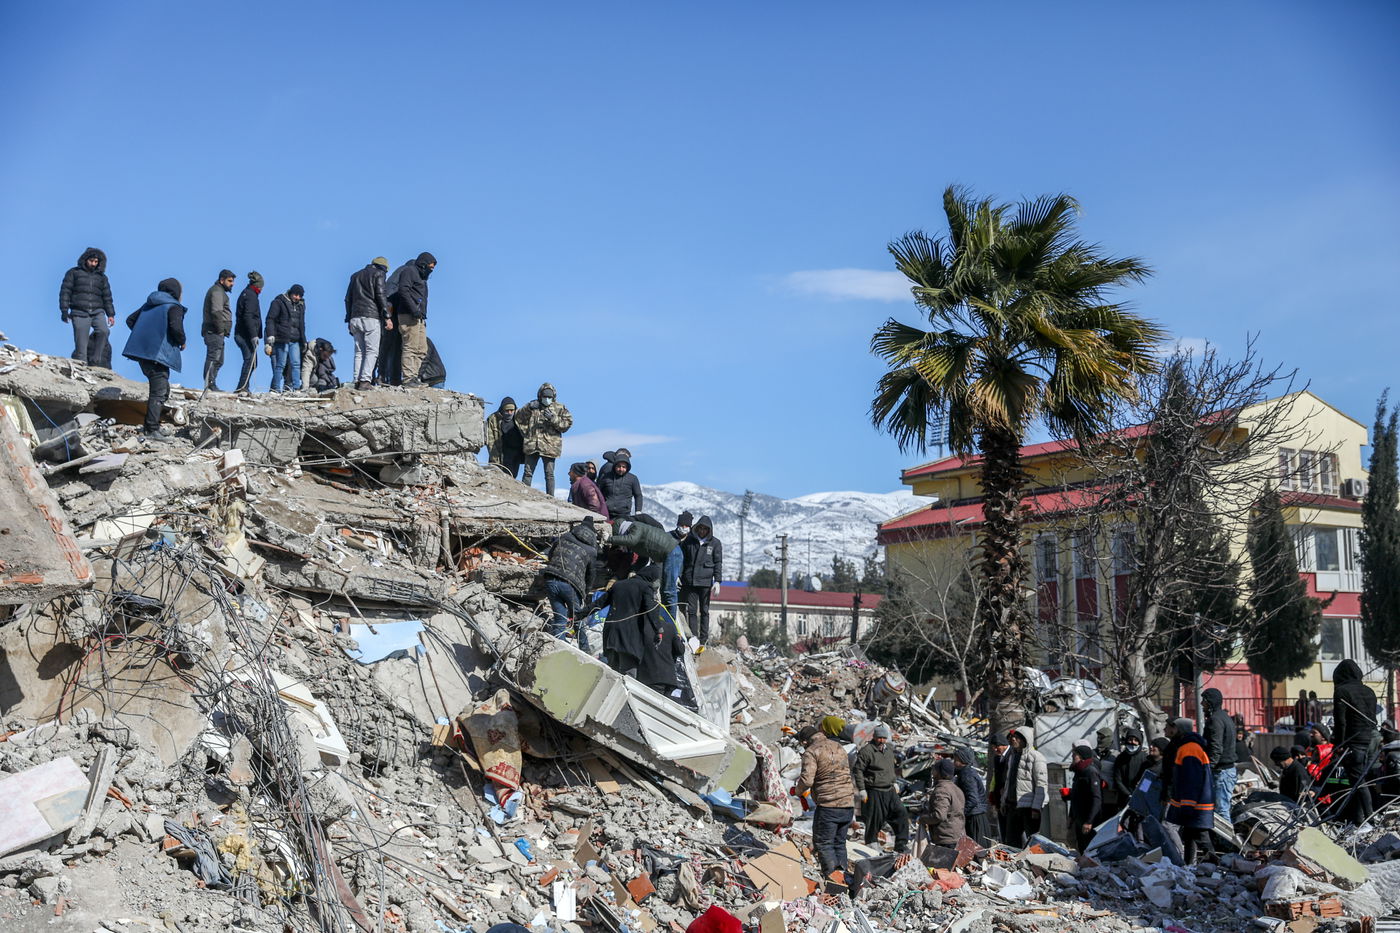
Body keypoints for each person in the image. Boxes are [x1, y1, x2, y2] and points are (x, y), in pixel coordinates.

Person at [120, 279, 186, 440]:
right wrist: (182, 341)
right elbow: (176, 329)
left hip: (145, 355)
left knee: (162, 389)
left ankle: (153, 425)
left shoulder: (150, 304)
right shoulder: (173, 306)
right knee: (159, 391)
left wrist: (145, 337)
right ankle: (151, 429)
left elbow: (130, 320)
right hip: (158, 356)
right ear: (176, 292)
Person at [795, 724, 857, 884]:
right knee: (839, 843)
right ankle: (844, 879)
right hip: (848, 804)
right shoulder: (838, 746)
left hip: (830, 805)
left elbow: (807, 780)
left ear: (804, 741)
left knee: (824, 843)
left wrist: (796, 791)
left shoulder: (811, 751)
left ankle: (833, 881)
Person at [1162, 717, 1216, 865]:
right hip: (1197, 802)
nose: (1167, 730)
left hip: (1195, 804)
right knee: (1191, 835)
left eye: (1171, 727)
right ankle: (1190, 866)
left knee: (1201, 837)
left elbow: (1190, 780)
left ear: (1178, 729)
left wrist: (1187, 804)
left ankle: (1217, 866)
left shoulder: (1188, 749)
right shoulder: (1189, 747)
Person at [1332, 658, 1380, 824]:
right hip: (1372, 741)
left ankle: (1370, 820)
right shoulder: (1369, 691)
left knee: (1358, 782)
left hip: (1355, 742)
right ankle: (1359, 820)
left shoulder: (1342, 692)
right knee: (1362, 781)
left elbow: (1341, 722)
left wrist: (1338, 744)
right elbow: (1373, 719)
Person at [540, 517, 598, 652]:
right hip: (571, 585)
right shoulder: (591, 551)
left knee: (560, 618)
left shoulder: (565, 536)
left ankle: (557, 647)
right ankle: (585, 650)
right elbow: (591, 575)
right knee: (577, 618)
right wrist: (586, 592)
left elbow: (551, 553)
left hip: (550, 579)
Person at [594, 564, 663, 675]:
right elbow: (650, 609)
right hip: (629, 638)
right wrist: (658, 629)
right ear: (651, 577)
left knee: (611, 672)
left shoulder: (619, 585)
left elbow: (598, 603)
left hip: (611, 635)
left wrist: (578, 615)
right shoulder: (646, 587)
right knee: (629, 675)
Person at [852, 724, 909, 854]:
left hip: (889, 789)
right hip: (874, 790)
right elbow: (858, 771)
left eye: (884, 738)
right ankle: (872, 843)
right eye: (879, 738)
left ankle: (901, 844)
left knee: (901, 813)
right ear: (874, 737)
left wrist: (894, 782)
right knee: (875, 818)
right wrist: (862, 789)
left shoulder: (888, 750)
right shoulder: (867, 751)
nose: (882, 740)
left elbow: (890, 768)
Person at [59, 247, 115, 368]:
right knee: (81, 345)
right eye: (91, 261)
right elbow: (65, 292)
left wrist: (111, 314)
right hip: (79, 312)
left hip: (97, 311)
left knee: (104, 331)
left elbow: (107, 297)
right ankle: (82, 367)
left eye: (96, 262)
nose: (93, 264)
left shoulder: (102, 278)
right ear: (85, 260)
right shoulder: (73, 273)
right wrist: (64, 310)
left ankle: (96, 360)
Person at [344, 257, 392, 390]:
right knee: (372, 351)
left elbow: (348, 299)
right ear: (384, 268)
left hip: (355, 317)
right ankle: (365, 380)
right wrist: (387, 316)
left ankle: (356, 380)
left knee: (359, 351)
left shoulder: (355, 276)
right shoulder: (379, 274)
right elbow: (380, 295)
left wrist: (348, 318)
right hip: (371, 317)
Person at [516, 383, 573, 495]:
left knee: (549, 473)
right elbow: (518, 418)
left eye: (549, 397)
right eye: (545, 397)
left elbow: (567, 424)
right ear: (540, 396)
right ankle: (524, 494)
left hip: (550, 446)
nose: (547, 399)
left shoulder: (559, 408)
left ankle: (550, 496)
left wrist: (553, 419)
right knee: (528, 472)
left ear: (553, 397)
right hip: (533, 444)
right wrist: (528, 407)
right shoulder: (533, 406)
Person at [390, 252, 436, 387]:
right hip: (408, 315)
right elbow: (403, 291)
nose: (431, 270)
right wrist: (414, 309)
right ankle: (408, 378)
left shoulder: (422, 278)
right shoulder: (409, 272)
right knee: (410, 346)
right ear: (423, 264)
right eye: (430, 267)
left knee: (422, 349)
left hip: (420, 317)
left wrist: (421, 314)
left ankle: (414, 377)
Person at [680, 516, 723, 644]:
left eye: (705, 529)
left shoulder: (715, 543)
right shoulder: (689, 541)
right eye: (701, 528)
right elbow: (682, 560)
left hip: (705, 582)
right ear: (697, 527)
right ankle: (693, 638)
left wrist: (717, 581)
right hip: (690, 581)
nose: (702, 531)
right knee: (691, 610)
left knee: (704, 611)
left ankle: (703, 639)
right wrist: (679, 575)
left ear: (709, 530)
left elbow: (718, 562)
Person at [1005, 727, 1048, 847]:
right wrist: (1004, 800)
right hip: (1013, 804)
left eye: (1017, 738)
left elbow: (1041, 784)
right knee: (1012, 840)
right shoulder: (1012, 756)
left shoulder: (1036, 757)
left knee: (1033, 841)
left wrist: (1036, 807)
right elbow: (1009, 781)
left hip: (1029, 807)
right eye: (1013, 737)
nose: (1013, 739)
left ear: (1026, 740)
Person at [1201, 688, 1238, 826]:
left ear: (1210, 703)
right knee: (1220, 809)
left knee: (1221, 811)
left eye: (1204, 701)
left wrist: (1208, 768)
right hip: (1225, 771)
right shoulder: (1223, 717)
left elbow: (1216, 748)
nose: (1201, 704)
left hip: (1221, 773)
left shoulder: (1215, 720)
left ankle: (1229, 845)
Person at [265, 285, 306, 392]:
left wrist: (303, 340)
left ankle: (296, 388)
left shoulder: (301, 305)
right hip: (282, 338)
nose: (297, 297)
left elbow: (302, 323)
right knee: (281, 364)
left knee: (296, 364)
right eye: (296, 295)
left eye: (300, 296)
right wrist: (270, 334)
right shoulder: (279, 302)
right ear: (290, 293)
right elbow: (270, 319)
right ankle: (275, 389)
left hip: (295, 339)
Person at [919, 757, 966, 848]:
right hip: (957, 835)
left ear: (940, 773)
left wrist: (923, 819)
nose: (932, 773)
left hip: (946, 838)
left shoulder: (942, 790)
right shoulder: (956, 788)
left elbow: (939, 815)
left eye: (934, 770)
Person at [201, 270, 235, 391]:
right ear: (222, 280)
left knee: (219, 360)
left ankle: (212, 383)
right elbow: (216, 311)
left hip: (218, 332)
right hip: (214, 331)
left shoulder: (220, 292)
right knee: (213, 358)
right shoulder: (216, 291)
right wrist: (220, 329)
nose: (232, 284)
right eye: (229, 281)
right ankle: (209, 384)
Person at [952, 747, 991, 846]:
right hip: (976, 814)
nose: (954, 763)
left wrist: (961, 814)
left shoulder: (966, 775)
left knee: (976, 849)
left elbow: (973, 799)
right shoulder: (965, 773)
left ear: (963, 761)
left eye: (956, 760)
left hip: (975, 817)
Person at [233, 271, 264, 394]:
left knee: (253, 361)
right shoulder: (250, 296)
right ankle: (242, 387)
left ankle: (244, 386)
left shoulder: (248, 294)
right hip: (244, 335)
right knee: (250, 359)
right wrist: (253, 336)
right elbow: (248, 316)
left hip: (244, 334)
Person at [1069, 745, 1103, 854]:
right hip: (1079, 818)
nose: (1073, 756)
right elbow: (1075, 797)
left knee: (1089, 849)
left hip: (1088, 820)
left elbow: (1096, 798)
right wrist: (1071, 816)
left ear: (1082, 757)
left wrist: (1089, 821)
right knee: (1081, 847)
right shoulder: (1079, 771)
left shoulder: (1090, 772)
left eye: (1075, 755)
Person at [663, 512, 691, 630]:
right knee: (670, 599)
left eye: (686, 525)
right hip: (669, 579)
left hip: (684, 579)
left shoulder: (690, 541)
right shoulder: (669, 538)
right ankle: (671, 627)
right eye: (681, 524)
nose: (684, 528)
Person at [485, 398, 524, 477]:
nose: (509, 413)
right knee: (501, 475)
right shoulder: (494, 419)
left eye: (511, 410)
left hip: (517, 453)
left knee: (513, 476)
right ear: (502, 410)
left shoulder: (519, 418)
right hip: (501, 453)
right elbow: (490, 441)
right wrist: (494, 458)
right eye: (507, 411)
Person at [1113, 729, 1149, 813]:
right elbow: (1117, 779)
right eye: (1130, 739)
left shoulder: (1145, 759)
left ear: (1140, 742)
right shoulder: (1120, 758)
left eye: (1136, 740)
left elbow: (1147, 779)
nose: (1132, 742)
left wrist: (1140, 794)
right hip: (1123, 799)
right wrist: (1128, 794)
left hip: (1141, 798)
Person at [987, 732, 1014, 842]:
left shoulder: (1012, 755)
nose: (995, 750)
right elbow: (997, 779)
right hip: (1000, 799)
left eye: (996, 747)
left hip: (1010, 799)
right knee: (1003, 828)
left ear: (1003, 744)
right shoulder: (997, 758)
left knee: (1012, 830)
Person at [599, 456, 643, 521]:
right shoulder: (606, 478)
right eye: (619, 466)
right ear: (614, 466)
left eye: (623, 467)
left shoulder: (633, 479)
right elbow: (598, 493)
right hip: (607, 514)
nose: (621, 469)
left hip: (624, 515)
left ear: (627, 468)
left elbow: (638, 495)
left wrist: (638, 511)